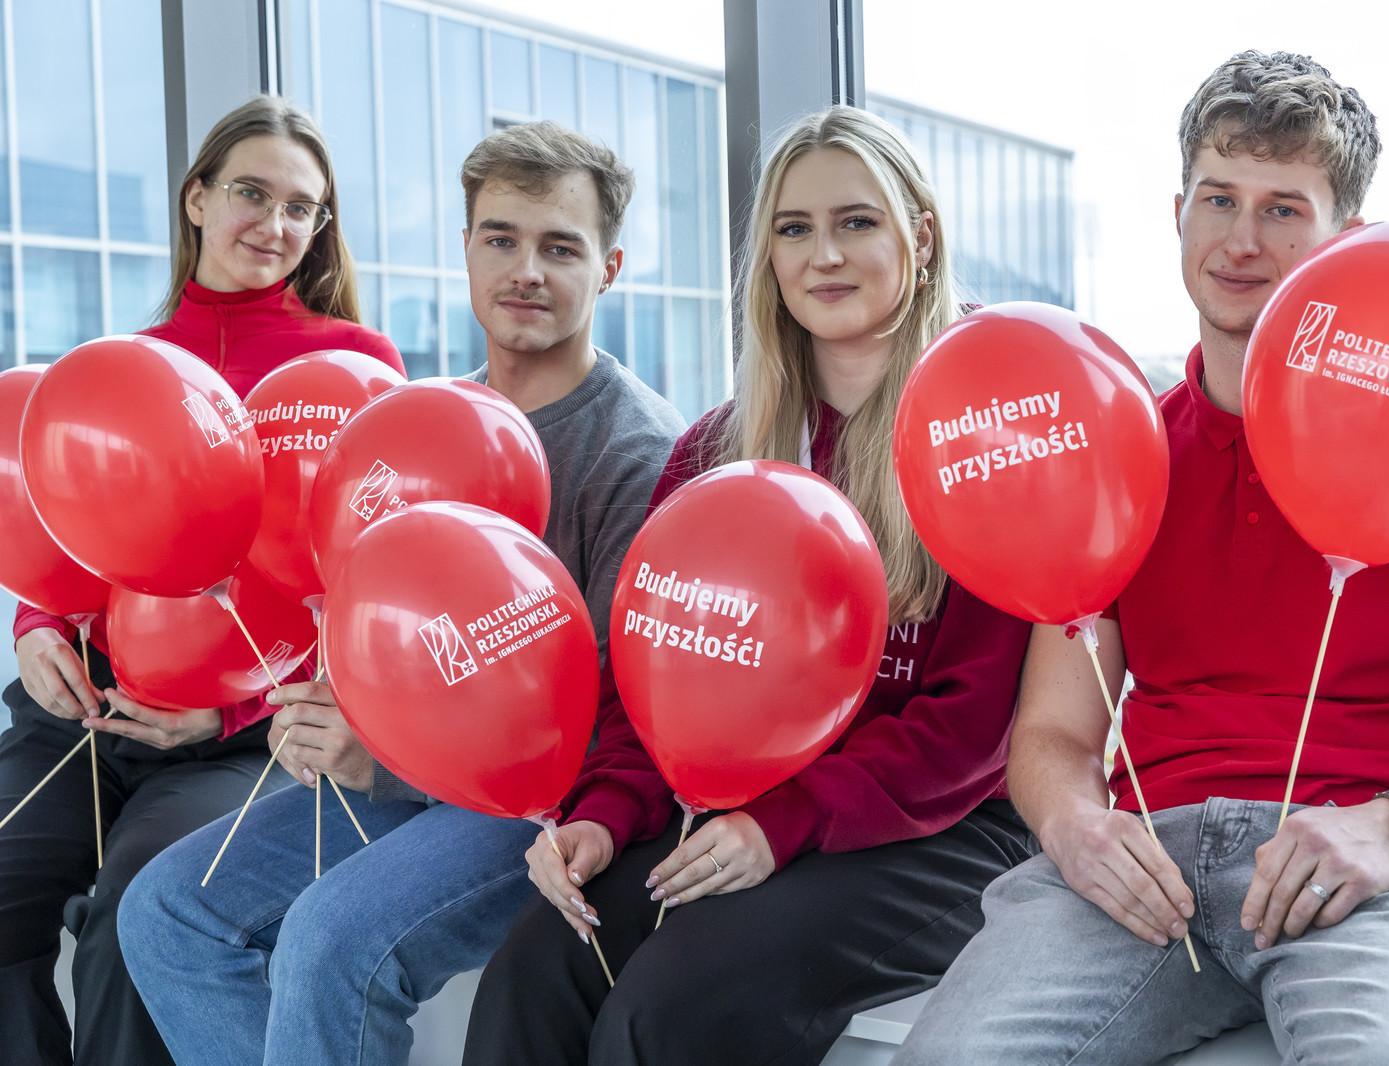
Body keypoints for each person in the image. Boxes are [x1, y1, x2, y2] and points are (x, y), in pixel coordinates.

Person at [893, 50, 1389, 1066]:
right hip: (1145, 872)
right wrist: (1075, 826)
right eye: (1219, 198)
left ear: (1345, 239)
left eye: (1283, 210)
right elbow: (1052, 734)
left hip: (1368, 872)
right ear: (1177, 213)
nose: (1240, 239)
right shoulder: (1118, 453)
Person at [460, 105, 1037, 1066]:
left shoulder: (979, 440)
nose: (824, 255)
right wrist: (604, 816)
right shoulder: (717, 453)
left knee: (669, 1010)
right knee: (537, 969)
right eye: (794, 228)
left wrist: (782, 822)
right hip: (751, 808)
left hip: (942, 828)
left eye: (856, 222)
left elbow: (972, 729)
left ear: (921, 238)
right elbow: (657, 681)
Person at [117, 120, 685, 1066]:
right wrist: (333, 697)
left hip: (543, 804)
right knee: (166, 914)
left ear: (609, 268)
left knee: (329, 944)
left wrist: (386, 758)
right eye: (501, 239)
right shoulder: (420, 423)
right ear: (466, 249)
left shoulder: (642, 453)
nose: (526, 272)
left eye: (560, 248)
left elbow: (611, 721)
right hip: (406, 773)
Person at [0, 96, 405, 1066]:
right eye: (251, 193)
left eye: (300, 207)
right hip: (93, 709)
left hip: (245, 733)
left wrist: (230, 711)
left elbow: (359, 583)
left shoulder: (357, 369)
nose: (274, 224)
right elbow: (74, 525)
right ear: (197, 199)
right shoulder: (128, 363)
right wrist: (38, 625)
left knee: (133, 922)